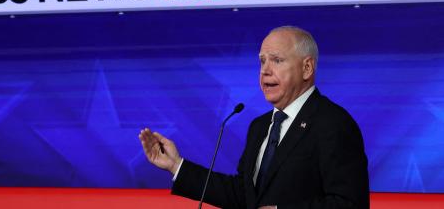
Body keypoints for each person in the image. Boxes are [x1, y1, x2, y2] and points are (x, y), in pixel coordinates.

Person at [139, 26, 369, 209]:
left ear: (307, 68)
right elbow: (243, 195)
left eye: (277, 60)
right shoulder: (259, 127)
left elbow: (350, 204)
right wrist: (176, 165)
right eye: (262, 61)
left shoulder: (333, 124)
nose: (265, 70)